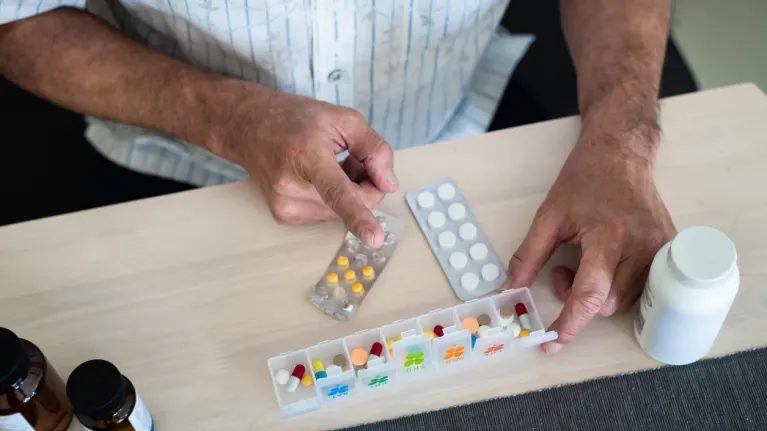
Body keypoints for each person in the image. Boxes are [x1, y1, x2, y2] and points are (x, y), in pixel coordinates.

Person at [0, 1, 675, 352]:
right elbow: (16, 18)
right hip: (180, 155)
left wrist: (621, 136)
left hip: (468, 122)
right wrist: (225, 115)